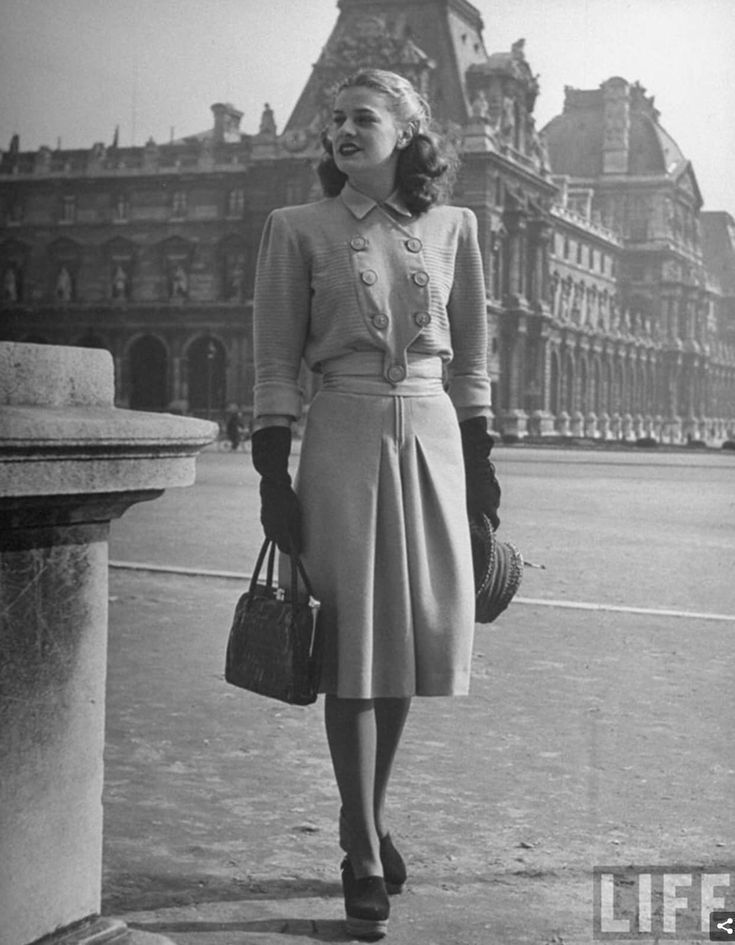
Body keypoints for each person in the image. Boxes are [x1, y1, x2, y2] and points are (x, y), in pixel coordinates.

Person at [250, 68, 500, 940]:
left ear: (408, 130)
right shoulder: (294, 228)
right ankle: (359, 846)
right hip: (344, 433)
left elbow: (470, 359)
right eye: (333, 121)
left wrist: (481, 465)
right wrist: (271, 469)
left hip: (432, 433)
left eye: (361, 118)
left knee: (408, 643)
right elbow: (277, 358)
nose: (342, 131)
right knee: (352, 640)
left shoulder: (455, 227)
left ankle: (371, 814)